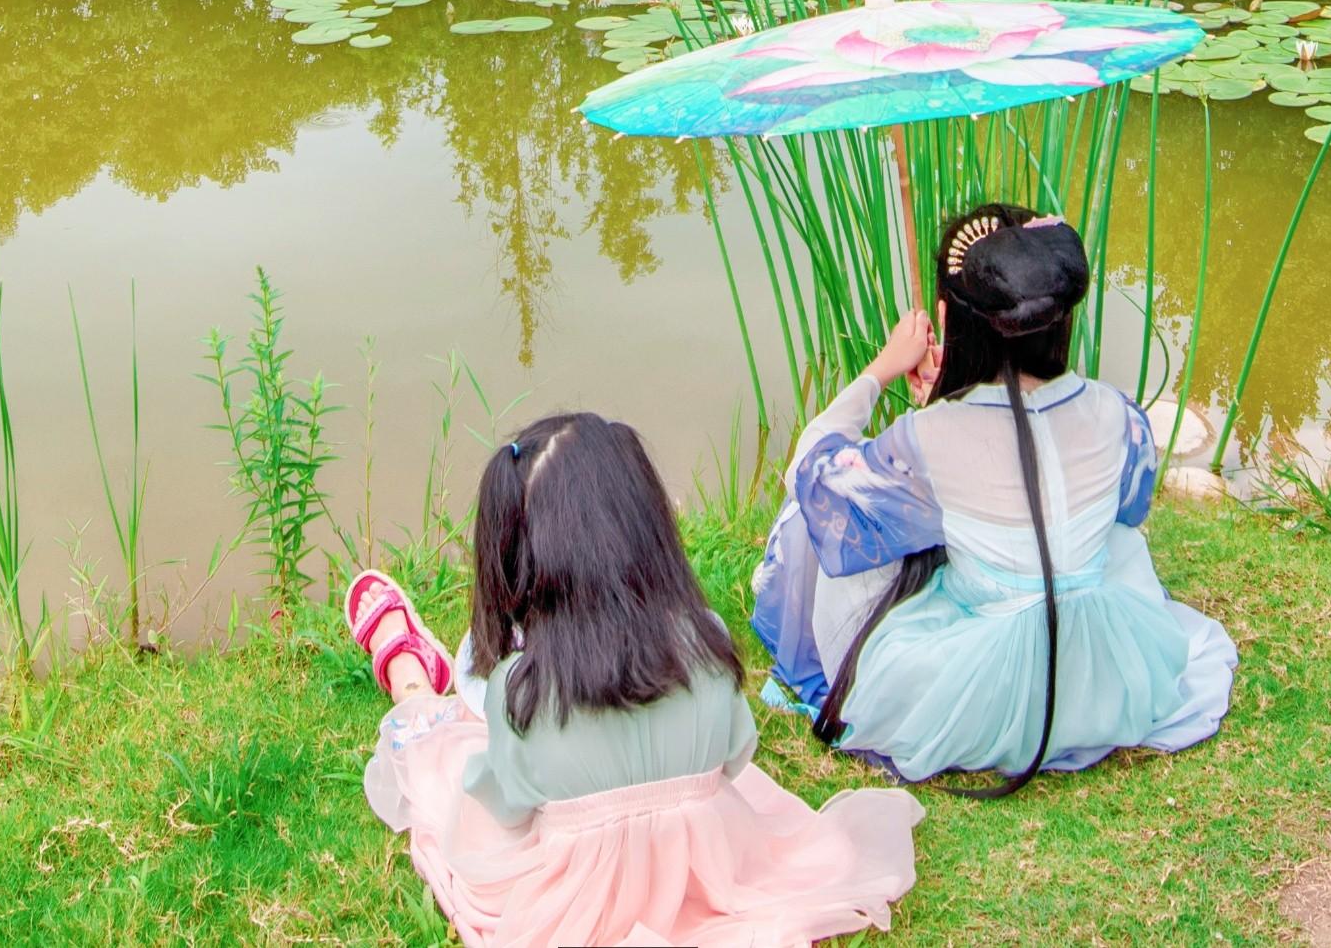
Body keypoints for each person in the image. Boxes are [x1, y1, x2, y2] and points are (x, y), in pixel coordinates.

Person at [347, 411, 921, 948]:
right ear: (648, 528)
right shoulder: (706, 643)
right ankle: (415, 682)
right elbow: (736, 755)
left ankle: (411, 680)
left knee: (448, 767)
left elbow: (510, 808)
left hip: (581, 901)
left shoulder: (520, 692)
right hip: (709, 868)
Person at [749, 204, 1236, 787]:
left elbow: (813, 476)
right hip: (1107, 662)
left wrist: (881, 372)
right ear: (1059, 319)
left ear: (949, 318)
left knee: (824, 511)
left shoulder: (929, 438)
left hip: (983, 684)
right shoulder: (1115, 413)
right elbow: (1127, 511)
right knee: (1111, 542)